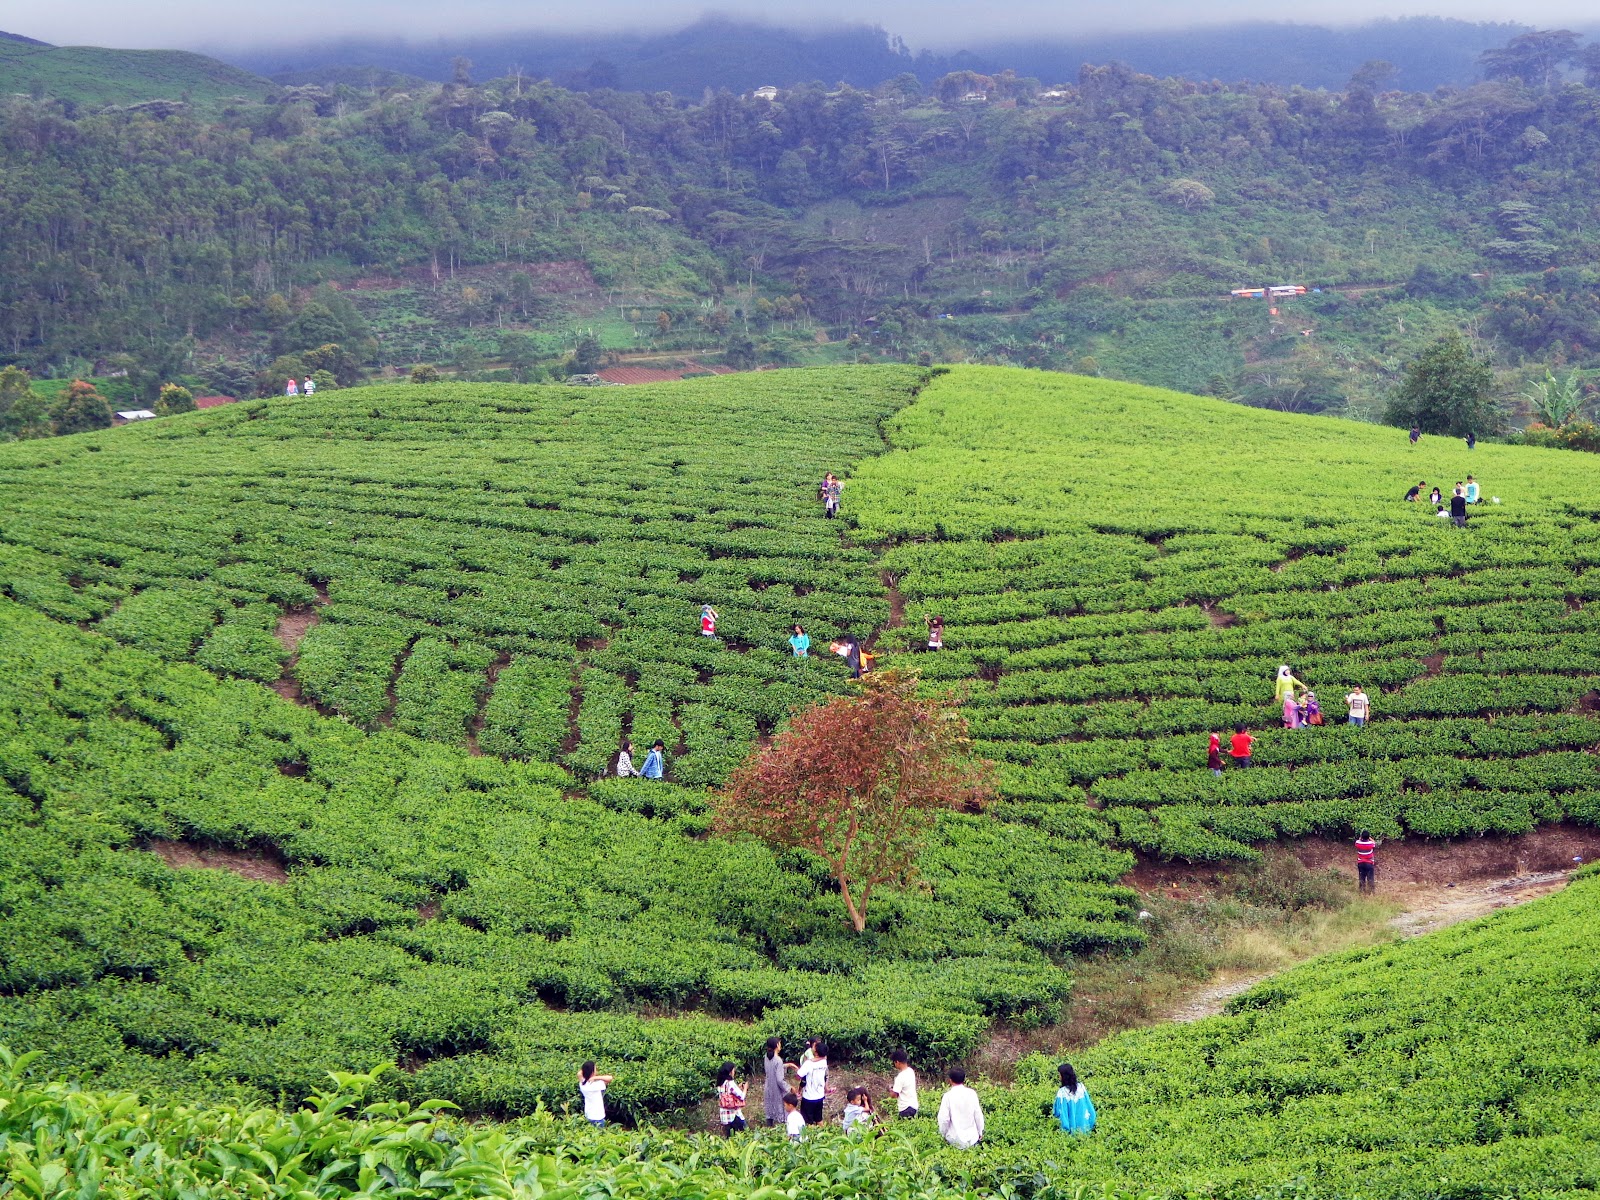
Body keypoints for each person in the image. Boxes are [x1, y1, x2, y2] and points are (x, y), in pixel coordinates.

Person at [936, 1068, 984, 1149]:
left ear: (950, 1080)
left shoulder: (948, 1096)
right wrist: (980, 1132)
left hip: (954, 1140)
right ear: (964, 1079)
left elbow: (944, 1119)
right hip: (972, 1139)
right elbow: (978, 1115)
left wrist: (943, 1134)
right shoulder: (972, 1093)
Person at [1052, 1063, 1096, 1135]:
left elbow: (1059, 1112)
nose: (1059, 1077)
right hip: (1085, 1129)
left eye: (1059, 1075)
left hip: (1071, 1133)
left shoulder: (1062, 1093)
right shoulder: (1081, 1087)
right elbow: (1089, 1107)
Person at [796, 1040, 828, 1125]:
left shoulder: (808, 1063)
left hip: (809, 1097)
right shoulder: (824, 1061)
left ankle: (811, 1136)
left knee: (808, 1121)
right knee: (819, 1118)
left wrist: (796, 1068)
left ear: (816, 1052)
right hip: (820, 1095)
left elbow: (798, 1076)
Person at [763, 1037, 792, 1126]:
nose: (781, 1045)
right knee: (780, 1111)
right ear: (776, 1045)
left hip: (768, 1087)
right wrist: (789, 1088)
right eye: (779, 1044)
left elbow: (772, 1068)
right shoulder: (778, 1060)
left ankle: (769, 1128)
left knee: (770, 1110)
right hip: (777, 1089)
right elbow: (780, 1080)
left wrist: (787, 1065)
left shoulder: (766, 1057)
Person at [716, 1062, 747, 1136]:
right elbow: (742, 1096)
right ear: (730, 1072)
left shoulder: (720, 1083)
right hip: (734, 1115)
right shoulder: (730, 1083)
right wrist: (745, 1088)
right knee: (746, 1133)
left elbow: (728, 1094)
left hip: (724, 1116)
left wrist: (738, 1088)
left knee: (730, 1138)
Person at [579, 1062, 612, 1128]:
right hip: (597, 1117)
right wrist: (596, 1078)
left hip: (588, 1115)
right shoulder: (595, 1085)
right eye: (595, 1069)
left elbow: (579, 1073)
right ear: (592, 1072)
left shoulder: (582, 1083)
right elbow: (610, 1078)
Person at [890, 1048, 919, 1119]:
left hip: (905, 1108)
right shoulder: (911, 1071)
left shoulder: (900, 1077)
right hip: (914, 1106)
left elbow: (894, 1095)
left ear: (897, 1062)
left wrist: (890, 1089)